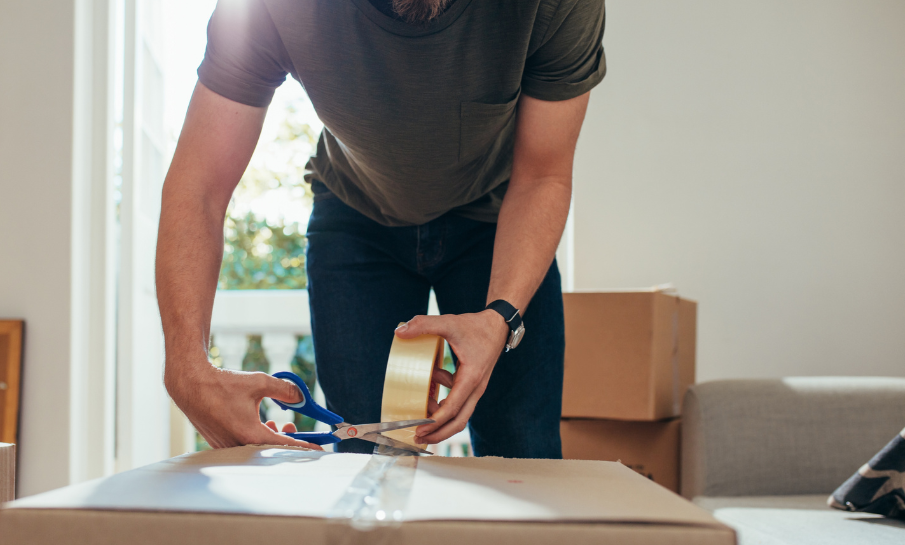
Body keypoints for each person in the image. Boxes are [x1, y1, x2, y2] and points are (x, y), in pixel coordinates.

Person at [156, 0, 606, 457]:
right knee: (365, 459)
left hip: (500, 219)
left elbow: (543, 176)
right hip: (355, 218)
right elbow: (200, 186)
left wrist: (500, 317)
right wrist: (186, 369)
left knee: (524, 454)